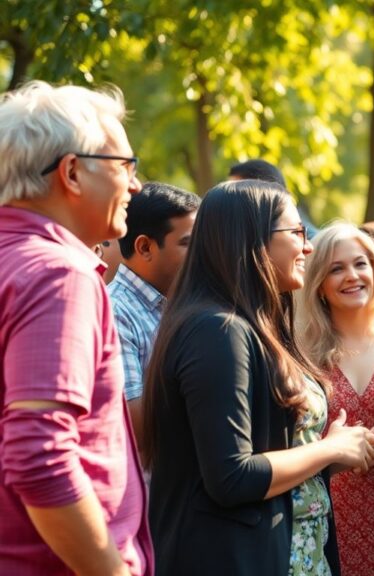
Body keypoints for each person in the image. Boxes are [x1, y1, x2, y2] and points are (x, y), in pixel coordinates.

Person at [142, 180, 374, 576]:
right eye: (297, 232)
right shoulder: (216, 331)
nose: (308, 247)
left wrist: (331, 453)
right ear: (251, 240)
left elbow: (267, 452)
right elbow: (232, 477)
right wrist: (329, 449)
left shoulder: (257, 325)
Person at [0, 81, 152, 575]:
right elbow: (38, 457)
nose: (136, 186)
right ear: (71, 172)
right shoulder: (57, 275)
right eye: (125, 166)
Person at [296, 222, 374, 575]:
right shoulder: (300, 353)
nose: (352, 276)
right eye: (336, 268)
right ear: (319, 284)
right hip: (322, 522)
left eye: (360, 264)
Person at [108, 181, 199, 436]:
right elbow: (134, 424)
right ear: (145, 247)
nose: (200, 253)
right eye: (188, 243)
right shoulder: (116, 312)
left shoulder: (182, 303)